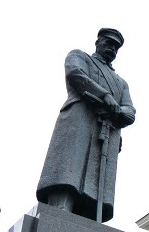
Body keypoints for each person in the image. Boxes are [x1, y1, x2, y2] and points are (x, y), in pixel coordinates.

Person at [36, 27, 136, 222]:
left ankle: (87, 221)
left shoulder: (121, 83)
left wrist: (117, 111)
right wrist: (105, 97)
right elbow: (76, 75)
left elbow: (130, 111)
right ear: (98, 42)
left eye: (116, 47)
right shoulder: (79, 57)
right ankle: (59, 211)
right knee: (68, 172)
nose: (112, 49)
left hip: (106, 133)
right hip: (79, 122)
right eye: (109, 43)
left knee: (95, 188)